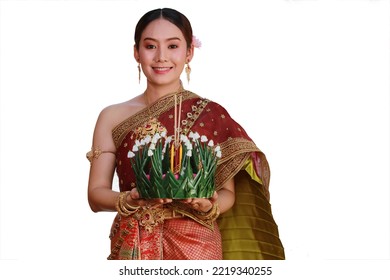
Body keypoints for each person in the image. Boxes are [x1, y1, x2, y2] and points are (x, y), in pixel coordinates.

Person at [87, 7, 285, 260]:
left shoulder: (210, 114)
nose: (161, 57)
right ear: (136, 52)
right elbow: (95, 195)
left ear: (189, 52)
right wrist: (130, 199)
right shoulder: (112, 117)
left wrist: (210, 205)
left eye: (172, 46)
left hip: (196, 243)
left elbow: (227, 194)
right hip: (134, 241)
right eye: (150, 46)